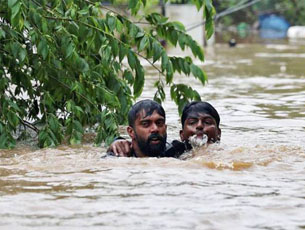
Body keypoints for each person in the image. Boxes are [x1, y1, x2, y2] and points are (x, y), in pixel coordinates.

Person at [107, 101, 221, 158]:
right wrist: (116, 141)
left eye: (159, 123)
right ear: (131, 132)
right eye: (146, 124)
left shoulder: (176, 150)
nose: (155, 129)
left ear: (165, 128)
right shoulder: (119, 156)